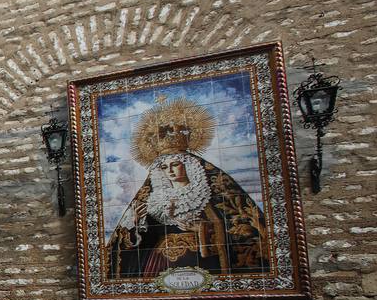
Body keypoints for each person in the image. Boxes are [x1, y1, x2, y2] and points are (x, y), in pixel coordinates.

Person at [106, 97, 269, 280]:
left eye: (175, 165)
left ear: (189, 165)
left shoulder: (214, 189)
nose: (170, 171)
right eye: (165, 168)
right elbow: (129, 244)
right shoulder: (152, 198)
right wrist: (136, 223)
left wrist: (202, 230)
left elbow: (244, 228)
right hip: (158, 262)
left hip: (201, 261)